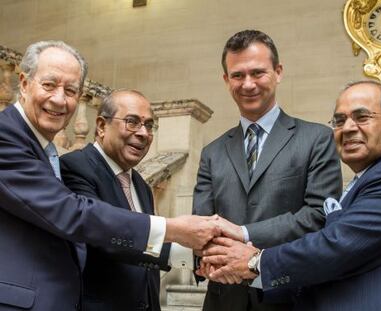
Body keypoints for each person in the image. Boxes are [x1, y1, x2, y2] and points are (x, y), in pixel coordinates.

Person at [0, 40, 219, 311]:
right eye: (49, 85)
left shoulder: (136, 182)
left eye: (70, 90)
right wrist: (173, 229)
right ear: (23, 83)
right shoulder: (7, 136)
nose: (60, 99)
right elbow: (75, 216)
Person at [202, 80, 381, 311]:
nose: (349, 128)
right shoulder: (368, 177)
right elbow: (339, 266)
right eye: (340, 121)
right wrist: (243, 271)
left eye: (362, 117)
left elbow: (339, 245)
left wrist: (255, 262)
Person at [193, 29, 342, 311]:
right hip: (224, 298)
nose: (247, 84)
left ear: (278, 72)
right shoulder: (212, 152)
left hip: (290, 294)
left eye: (258, 73)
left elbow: (317, 215)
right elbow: (203, 224)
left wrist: (244, 233)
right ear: (226, 80)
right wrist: (215, 257)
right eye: (237, 75)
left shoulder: (317, 139)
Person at [60, 89, 193, 310]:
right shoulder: (75, 167)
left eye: (149, 125)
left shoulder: (141, 184)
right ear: (102, 126)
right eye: (132, 122)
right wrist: (184, 247)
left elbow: (145, 248)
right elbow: (104, 236)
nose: (143, 133)